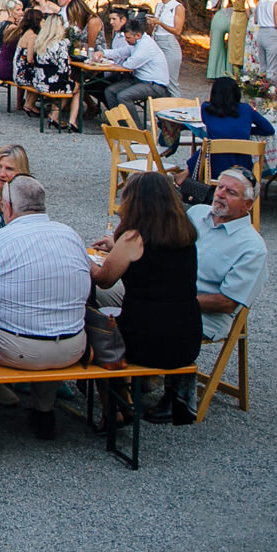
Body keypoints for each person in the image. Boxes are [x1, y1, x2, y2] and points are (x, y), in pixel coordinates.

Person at [0, 176, 91, 438]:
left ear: (7, 207)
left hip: (15, 348)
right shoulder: (71, 235)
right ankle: (44, 410)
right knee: (45, 320)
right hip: (73, 346)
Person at [91, 172, 202, 420]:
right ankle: (139, 391)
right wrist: (115, 247)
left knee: (98, 336)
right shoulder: (185, 233)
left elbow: (104, 280)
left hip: (147, 339)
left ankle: (118, 408)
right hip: (187, 337)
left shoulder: (133, 237)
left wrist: (82, 260)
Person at [175, 168, 267, 420]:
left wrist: (176, 300)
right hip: (171, 297)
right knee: (102, 297)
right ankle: (129, 381)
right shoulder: (196, 214)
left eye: (231, 192)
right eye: (220, 188)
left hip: (204, 315)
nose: (221, 195)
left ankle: (175, 398)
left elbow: (227, 303)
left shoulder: (251, 247)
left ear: (248, 204)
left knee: (143, 315)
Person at [196, 76, 274, 179]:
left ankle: (183, 177)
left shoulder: (206, 108)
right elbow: (268, 129)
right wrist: (245, 130)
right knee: (202, 152)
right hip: (242, 169)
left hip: (214, 168)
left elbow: (208, 124)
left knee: (201, 152)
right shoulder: (246, 109)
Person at [99, 17, 172, 122]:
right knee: (110, 91)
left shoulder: (145, 45)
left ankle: (136, 127)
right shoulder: (136, 42)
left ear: (137, 35)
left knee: (123, 96)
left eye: (128, 38)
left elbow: (129, 65)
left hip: (154, 84)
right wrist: (104, 53)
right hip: (139, 79)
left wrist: (112, 64)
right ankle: (120, 122)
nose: (126, 40)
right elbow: (121, 52)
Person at [31, 15, 76, 128]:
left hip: (38, 81)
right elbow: (64, 70)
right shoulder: (60, 45)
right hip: (51, 83)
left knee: (64, 84)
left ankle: (54, 114)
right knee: (76, 87)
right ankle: (71, 121)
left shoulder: (39, 42)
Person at [204, 0, 238, 80]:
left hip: (221, 16)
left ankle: (213, 73)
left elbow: (211, 4)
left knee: (216, 46)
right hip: (235, 18)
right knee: (232, 47)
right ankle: (230, 73)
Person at [150, 0, 185, 89]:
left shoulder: (177, 7)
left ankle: (176, 104)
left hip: (169, 43)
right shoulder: (159, 6)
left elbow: (177, 30)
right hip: (156, 40)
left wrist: (160, 23)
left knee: (170, 81)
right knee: (156, 77)